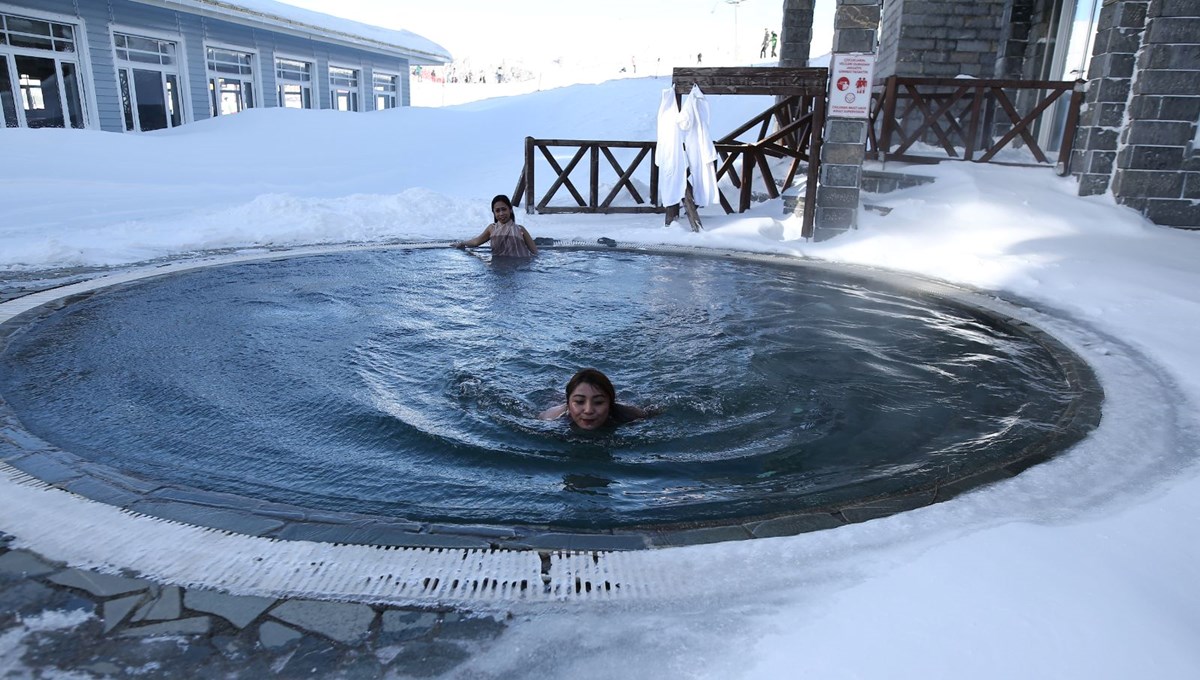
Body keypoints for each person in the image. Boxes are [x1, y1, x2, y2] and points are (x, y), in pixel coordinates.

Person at [539, 368, 648, 430]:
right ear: (568, 403)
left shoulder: (633, 415)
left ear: (610, 404)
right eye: (580, 402)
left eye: (598, 402)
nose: (588, 410)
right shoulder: (550, 418)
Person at [451, 194, 538, 257]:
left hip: (519, 270)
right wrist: (462, 243)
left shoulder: (520, 229)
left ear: (510, 210)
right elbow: (476, 242)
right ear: (493, 212)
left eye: (504, 209)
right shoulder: (491, 229)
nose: (501, 213)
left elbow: (535, 252)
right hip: (498, 268)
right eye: (497, 210)